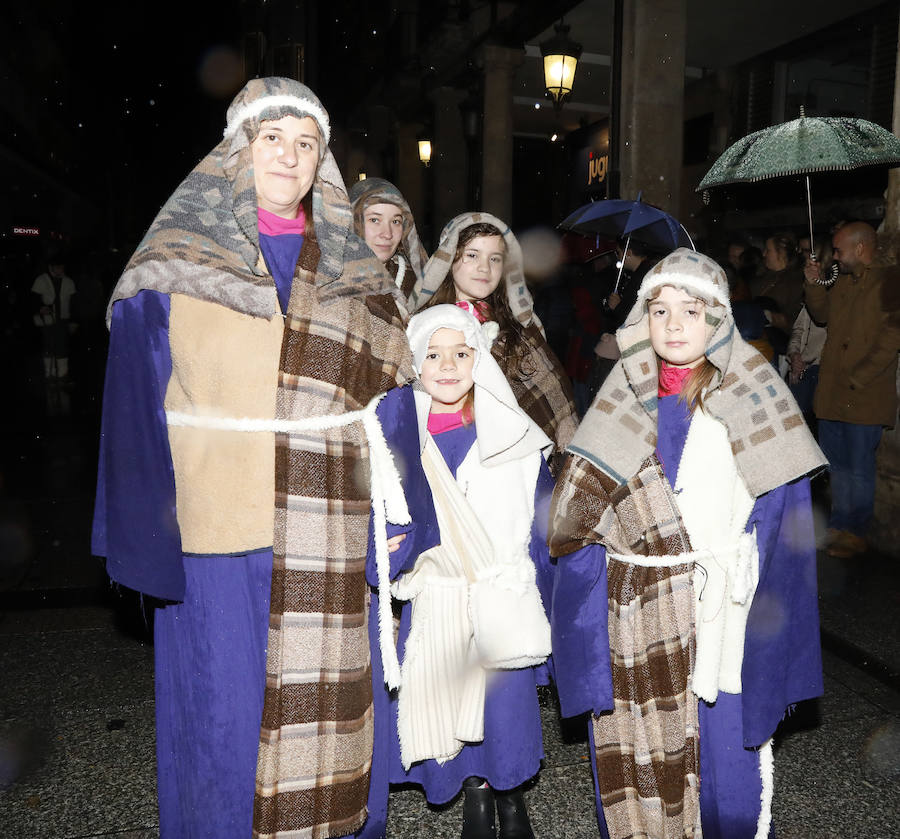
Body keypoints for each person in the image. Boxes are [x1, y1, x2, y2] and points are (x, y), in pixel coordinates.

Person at [91, 77, 439, 839]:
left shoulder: (357, 272)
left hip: (334, 526)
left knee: (336, 711)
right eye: (272, 137)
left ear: (323, 164)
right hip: (222, 530)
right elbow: (134, 406)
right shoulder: (175, 263)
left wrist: (406, 517)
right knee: (226, 715)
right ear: (237, 150)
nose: (290, 154)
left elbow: (393, 404)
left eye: (306, 142)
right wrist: (141, 540)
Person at [548, 249, 826, 839]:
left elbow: (784, 537)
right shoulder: (617, 402)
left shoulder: (757, 402)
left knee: (722, 763)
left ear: (720, 319)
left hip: (716, 614)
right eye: (658, 309)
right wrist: (583, 647)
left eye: (691, 310)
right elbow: (579, 528)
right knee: (639, 756)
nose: (673, 325)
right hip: (634, 612)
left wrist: (776, 647)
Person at [391, 303, 555, 839]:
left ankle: (511, 797)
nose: (447, 365)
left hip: (498, 589)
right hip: (437, 593)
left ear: (479, 359)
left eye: (461, 353)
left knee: (502, 706)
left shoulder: (508, 433)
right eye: (433, 354)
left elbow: (539, 521)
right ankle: (476, 796)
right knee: (453, 697)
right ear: (415, 363)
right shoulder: (395, 437)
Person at [410, 212, 578, 459]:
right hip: (443, 453)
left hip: (513, 460)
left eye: (495, 258)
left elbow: (553, 401)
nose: (484, 267)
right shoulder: (423, 326)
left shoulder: (520, 326)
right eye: (472, 255)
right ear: (448, 258)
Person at [803, 221, 900, 558]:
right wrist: (814, 283)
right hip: (833, 394)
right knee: (837, 465)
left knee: (859, 469)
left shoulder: (891, 280)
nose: (837, 257)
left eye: (840, 250)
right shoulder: (841, 282)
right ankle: (839, 525)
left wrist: (859, 377)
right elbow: (821, 314)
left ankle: (855, 531)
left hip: (865, 394)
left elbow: (891, 339)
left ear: (860, 248)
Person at [349, 176, 428, 300]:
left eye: (396, 221)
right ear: (352, 222)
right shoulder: (327, 279)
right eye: (374, 220)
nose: (387, 234)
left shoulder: (418, 284)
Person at [31, 256, 75, 380]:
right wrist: (41, 307)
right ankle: (49, 373)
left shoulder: (68, 281)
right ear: (51, 268)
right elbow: (33, 299)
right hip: (47, 320)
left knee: (62, 345)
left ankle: (62, 374)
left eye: (62, 267)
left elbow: (73, 302)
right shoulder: (41, 280)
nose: (61, 269)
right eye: (58, 267)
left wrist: (73, 321)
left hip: (63, 319)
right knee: (49, 345)